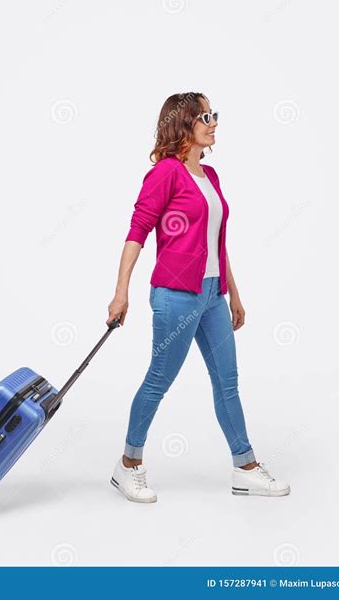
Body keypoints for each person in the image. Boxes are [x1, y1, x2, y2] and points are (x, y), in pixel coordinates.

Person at [107, 92, 290, 503]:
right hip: (175, 296)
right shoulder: (165, 174)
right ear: (183, 123)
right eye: (205, 115)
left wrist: (233, 294)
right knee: (159, 380)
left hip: (212, 296)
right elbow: (137, 232)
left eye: (214, 114)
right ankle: (128, 464)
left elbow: (217, 244)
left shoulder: (212, 177)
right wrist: (121, 293)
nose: (213, 121)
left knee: (228, 381)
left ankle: (245, 467)